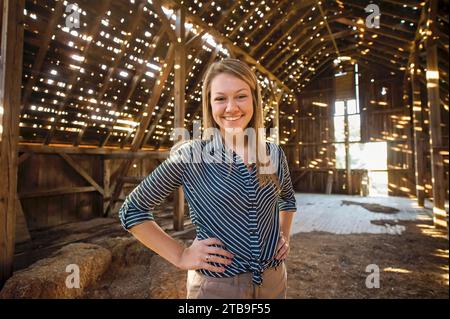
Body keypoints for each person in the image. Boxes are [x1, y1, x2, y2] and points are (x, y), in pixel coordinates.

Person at [119, 58, 297, 299]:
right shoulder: (192, 155)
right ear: (210, 104)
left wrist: (282, 235)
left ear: (254, 100)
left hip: (273, 281)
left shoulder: (273, 154)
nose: (231, 107)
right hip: (217, 286)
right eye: (221, 98)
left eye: (241, 96)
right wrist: (181, 255)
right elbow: (133, 210)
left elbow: (287, 200)